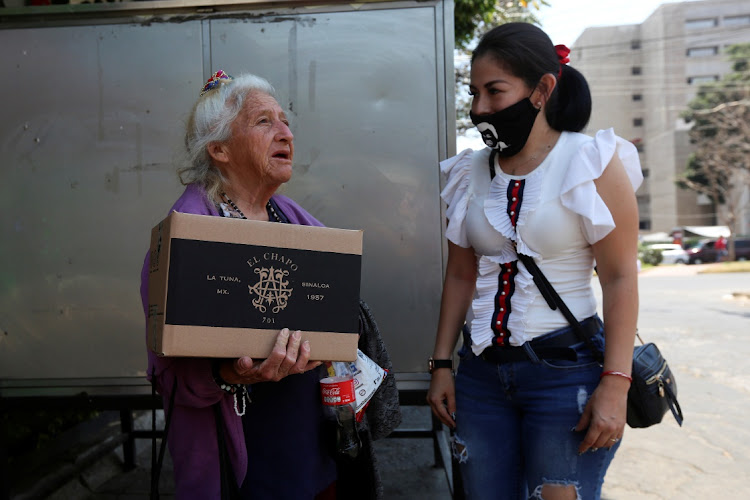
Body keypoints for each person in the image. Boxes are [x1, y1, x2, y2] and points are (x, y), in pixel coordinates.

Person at [139, 71, 399, 499]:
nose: (286, 133)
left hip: (318, 450)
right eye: (264, 121)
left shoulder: (291, 217)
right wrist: (229, 375)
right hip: (250, 463)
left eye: (285, 120)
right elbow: (170, 377)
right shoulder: (182, 241)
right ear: (218, 148)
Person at [426, 23, 643, 500]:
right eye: (474, 92)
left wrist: (616, 382)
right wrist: (441, 363)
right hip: (481, 377)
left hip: (566, 376)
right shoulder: (469, 171)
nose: (480, 108)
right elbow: (461, 274)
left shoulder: (592, 160)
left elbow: (621, 276)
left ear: (542, 90)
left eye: (495, 91)